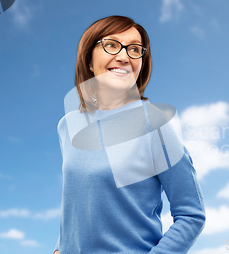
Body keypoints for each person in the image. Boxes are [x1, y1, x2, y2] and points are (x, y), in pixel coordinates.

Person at [53, 15, 206, 254]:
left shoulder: (156, 124)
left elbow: (191, 215)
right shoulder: (67, 125)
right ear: (89, 60)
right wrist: (59, 248)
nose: (124, 56)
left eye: (135, 49)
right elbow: (77, 204)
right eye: (111, 45)